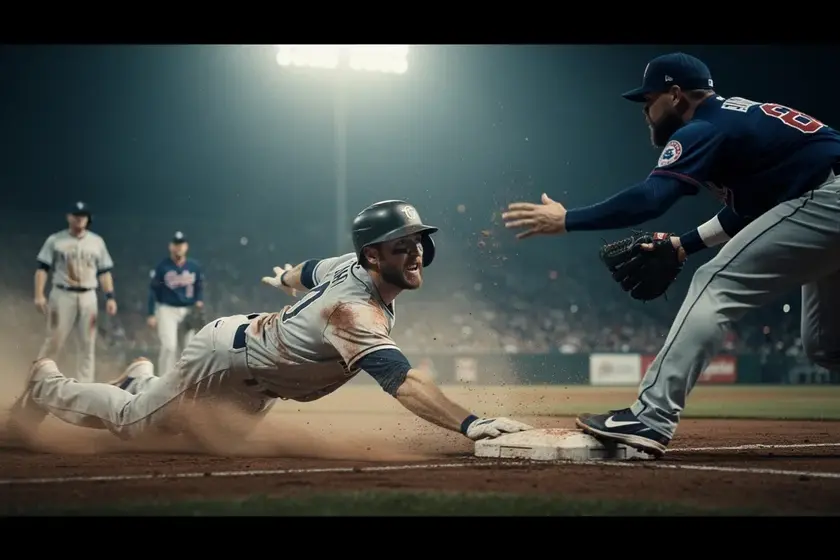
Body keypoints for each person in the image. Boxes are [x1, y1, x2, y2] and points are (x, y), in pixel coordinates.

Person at [501, 52, 840, 458]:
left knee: (715, 284)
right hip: (826, 198)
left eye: (650, 99)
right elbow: (746, 211)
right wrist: (683, 245)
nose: (645, 110)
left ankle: (650, 416)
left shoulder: (703, 128)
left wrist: (568, 219)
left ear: (676, 95)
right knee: (824, 343)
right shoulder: (735, 121)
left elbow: (651, 198)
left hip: (828, 198)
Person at [9, 200, 533, 447]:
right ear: (374, 255)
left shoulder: (352, 266)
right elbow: (404, 382)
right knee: (134, 425)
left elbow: (309, 270)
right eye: (404, 245)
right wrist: (471, 423)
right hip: (226, 359)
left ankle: (141, 379)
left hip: (258, 378)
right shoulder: (355, 311)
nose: (417, 252)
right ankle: (47, 384)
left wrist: (286, 275)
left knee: (210, 441)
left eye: (419, 242)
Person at [33, 201, 118, 383]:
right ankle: (37, 382)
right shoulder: (56, 240)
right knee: (54, 340)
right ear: (68, 217)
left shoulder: (97, 241)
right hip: (62, 294)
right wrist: (39, 294)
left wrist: (110, 297)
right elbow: (42, 268)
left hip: (88, 295)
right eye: (76, 215)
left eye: (83, 215)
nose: (80, 218)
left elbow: (104, 271)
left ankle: (85, 387)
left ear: (88, 219)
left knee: (88, 344)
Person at [147, 231, 204, 376]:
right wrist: (151, 313)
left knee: (189, 349)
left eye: (181, 244)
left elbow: (199, 286)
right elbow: (153, 290)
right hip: (167, 309)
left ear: (186, 247)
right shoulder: (162, 267)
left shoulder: (194, 267)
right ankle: (163, 381)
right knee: (169, 347)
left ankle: (186, 382)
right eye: (176, 244)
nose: (178, 247)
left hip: (187, 310)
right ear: (170, 246)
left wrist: (199, 301)